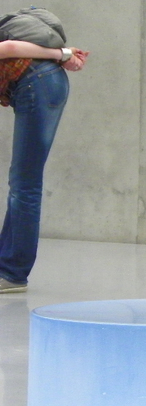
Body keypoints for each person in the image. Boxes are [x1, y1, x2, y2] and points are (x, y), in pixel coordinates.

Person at [0, 39, 89, 293]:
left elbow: (9, 49)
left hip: (36, 82)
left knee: (24, 184)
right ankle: (7, 267)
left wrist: (62, 54)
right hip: (43, 81)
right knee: (21, 183)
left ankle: (13, 274)